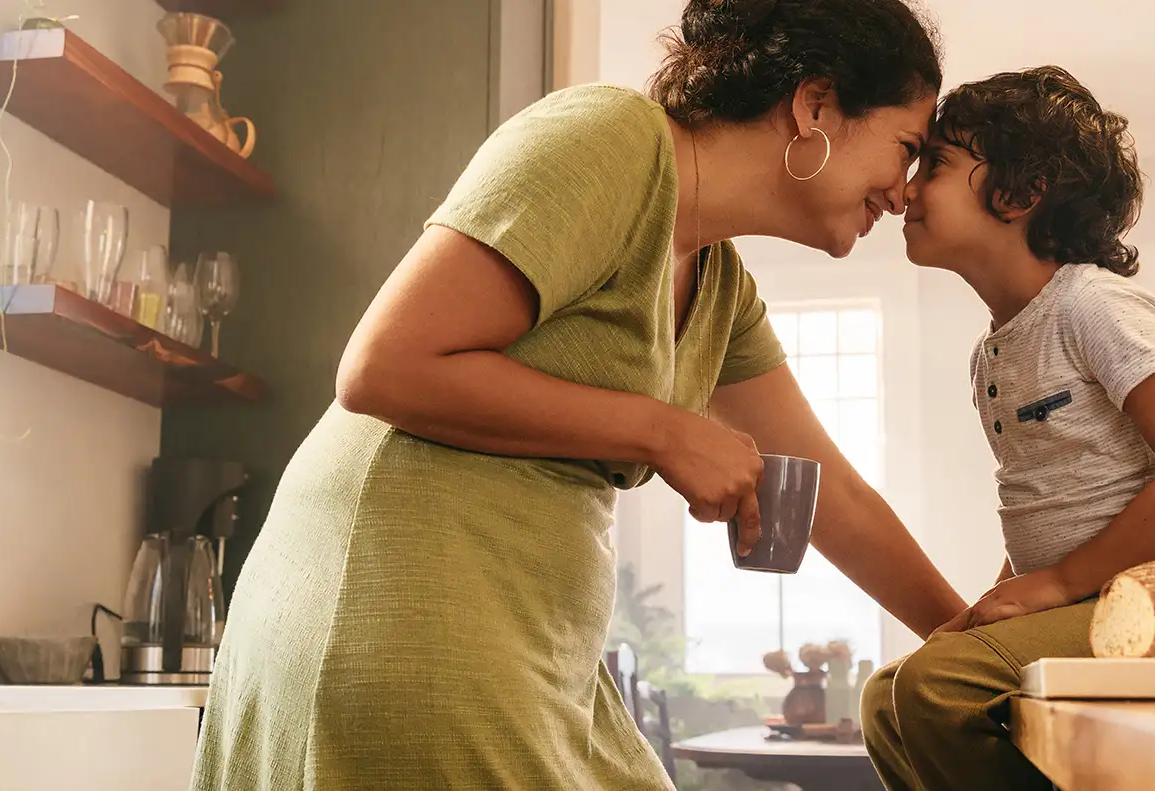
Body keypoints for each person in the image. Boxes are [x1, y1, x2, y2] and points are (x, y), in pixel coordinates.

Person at [189, 1, 966, 789]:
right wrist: (663, 432)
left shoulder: (722, 286)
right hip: (400, 602)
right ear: (814, 105)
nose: (903, 194)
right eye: (905, 148)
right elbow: (382, 366)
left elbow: (835, 495)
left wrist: (973, 641)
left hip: (533, 636)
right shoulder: (611, 139)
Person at [861, 65, 1155, 791]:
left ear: (1019, 193)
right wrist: (1002, 599)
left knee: (937, 685)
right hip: (1086, 596)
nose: (906, 188)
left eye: (935, 164)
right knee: (888, 695)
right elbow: (1050, 501)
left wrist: (1060, 581)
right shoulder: (993, 354)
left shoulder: (1093, 306)